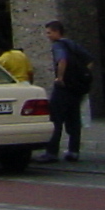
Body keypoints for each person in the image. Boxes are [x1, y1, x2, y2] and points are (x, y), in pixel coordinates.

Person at [39, 20, 94, 162]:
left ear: (57, 32)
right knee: (74, 119)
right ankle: (73, 151)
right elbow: (90, 61)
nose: (48, 36)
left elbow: (62, 60)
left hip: (64, 88)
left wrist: (60, 77)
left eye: (49, 32)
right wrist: (81, 75)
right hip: (76, 88)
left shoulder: (58, 45)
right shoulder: (73, 44)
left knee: (55, 119)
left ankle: (51, 152)